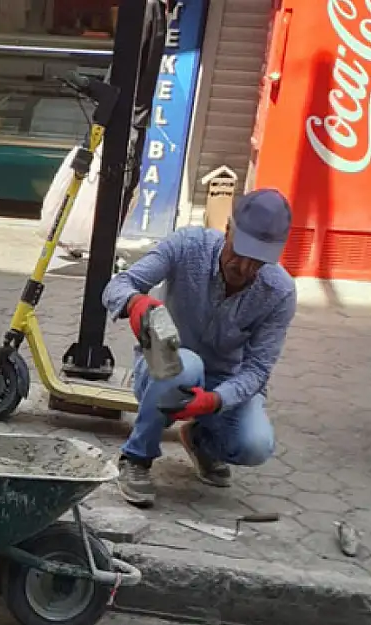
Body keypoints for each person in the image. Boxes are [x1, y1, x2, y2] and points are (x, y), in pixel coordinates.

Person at [102, 189, 297, 507]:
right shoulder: (187, 246)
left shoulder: (279, 292)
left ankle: (200, 440)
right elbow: (118, 285)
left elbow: (258, 370)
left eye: (258, 260)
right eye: (241, 251)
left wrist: (215, 400)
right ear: (228, 229)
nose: (245, 267)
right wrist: (134, 302)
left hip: (223, 382)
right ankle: (136, 458)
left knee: (256, 444)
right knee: (187, 363)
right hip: (164, 367)